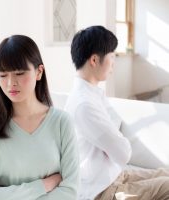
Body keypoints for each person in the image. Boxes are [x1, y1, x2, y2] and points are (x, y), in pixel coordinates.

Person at [65, 25, 169, 200]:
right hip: (101, 191)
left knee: (164, 173)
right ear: (94, 60)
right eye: (112, 56)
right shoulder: (84, 104)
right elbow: (123, 152)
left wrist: (113, 142)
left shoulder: (91, 93)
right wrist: (114, 142)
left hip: (113, 176)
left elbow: (115, 126)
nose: (114, 62)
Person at [0, 35, 79, 200]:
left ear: (39, 72)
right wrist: (43, 185)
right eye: (3, 75)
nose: (10, 83)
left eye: (19, 73)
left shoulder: (61, 122)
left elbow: (70, 191)